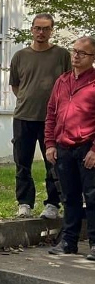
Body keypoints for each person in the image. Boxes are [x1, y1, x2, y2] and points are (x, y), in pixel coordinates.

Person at [10, 13, 72, 219]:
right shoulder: (20, 56)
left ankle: (53, 204)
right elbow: (16, 86)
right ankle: (24, 203)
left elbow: (69, 83)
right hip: (23, 117)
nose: (41, 32)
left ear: (51, 31)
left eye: (46, 28)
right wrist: (28, 99)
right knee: (22, 163)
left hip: (52, 120)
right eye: (38, 28)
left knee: (53, 163)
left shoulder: (62, 55)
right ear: (32, 29)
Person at [45, 36, 95, 258]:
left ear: (92, 57)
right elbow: (51, 113)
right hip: (63, 147)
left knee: (92, 196)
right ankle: (68, 241)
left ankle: (94, 243)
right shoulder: (62, 81)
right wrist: (50, 144)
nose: (76, 56)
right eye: (74, 51)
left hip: (87, 148)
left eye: (82, 53)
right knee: (69, 197)